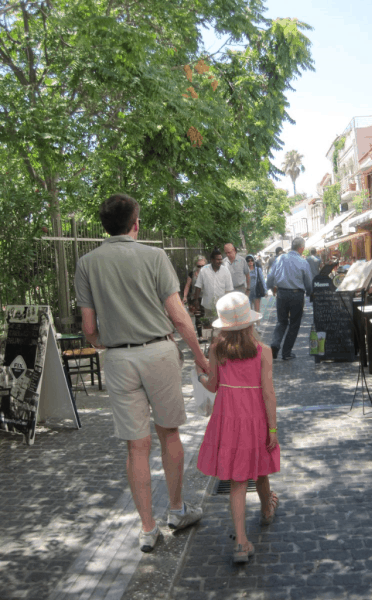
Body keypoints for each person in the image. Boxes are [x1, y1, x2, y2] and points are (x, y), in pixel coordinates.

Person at [74, 193, 209, 553]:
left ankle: (147, 529)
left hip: (119, 359)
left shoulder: (87, 263)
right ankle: (177, 511)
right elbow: (179, 316)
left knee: (136, 447)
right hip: (159, 352)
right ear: (136, 224)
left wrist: (110, 341)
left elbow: (89, 327)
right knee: (169, 434)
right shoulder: (154, 256)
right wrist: (199, 356)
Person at [195, 292, 280, 563]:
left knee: (237, 480)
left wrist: (200, 376)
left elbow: (212, 385)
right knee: (261, 467)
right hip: (255, 417)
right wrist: (273, 429)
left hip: (227, 418)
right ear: (249, 323)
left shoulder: (217, 349)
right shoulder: (263, 350)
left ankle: (241, 542)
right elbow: (268, 393)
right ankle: (267, 509)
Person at [267, 237, 313, 361]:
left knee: (281, 322)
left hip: (281, 293)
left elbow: (270, 277)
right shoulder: (303, 262)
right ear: (301, 248)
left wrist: (271, 289)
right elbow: (308, 282)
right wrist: (310, 293)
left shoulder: (280, 258)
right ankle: (286, 352)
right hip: (296, 295)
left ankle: (275, 345)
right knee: (294, 324)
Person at [194, 248, 233, 317]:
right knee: (209, 325)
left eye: (221, 259)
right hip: (208, 305)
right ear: (212, 260)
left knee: (222, 326)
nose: (220, 261)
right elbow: (198, 287)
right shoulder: (204, 270)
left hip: (222, 306)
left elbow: (229, 289)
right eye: (218, 259)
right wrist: (196, 302)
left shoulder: (225, 271)